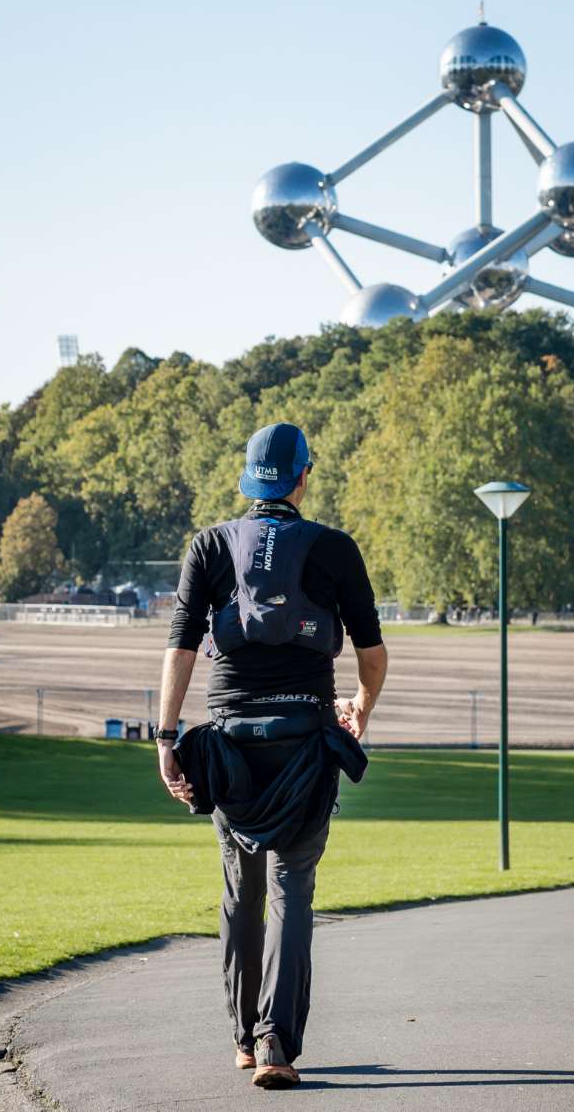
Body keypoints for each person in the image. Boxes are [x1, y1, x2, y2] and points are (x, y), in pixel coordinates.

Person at [151, 422, 386, 1091]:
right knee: (292, 891)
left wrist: (166, 741)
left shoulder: (209, 545)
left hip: (229, 747)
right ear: (303, 477)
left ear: (249, 480)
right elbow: (371, 653)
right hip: (306, 742)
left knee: (241, 891)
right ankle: (276, 1044)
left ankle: (243, 1039)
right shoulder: (335, 548)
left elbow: (181, 647)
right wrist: (360, 708)